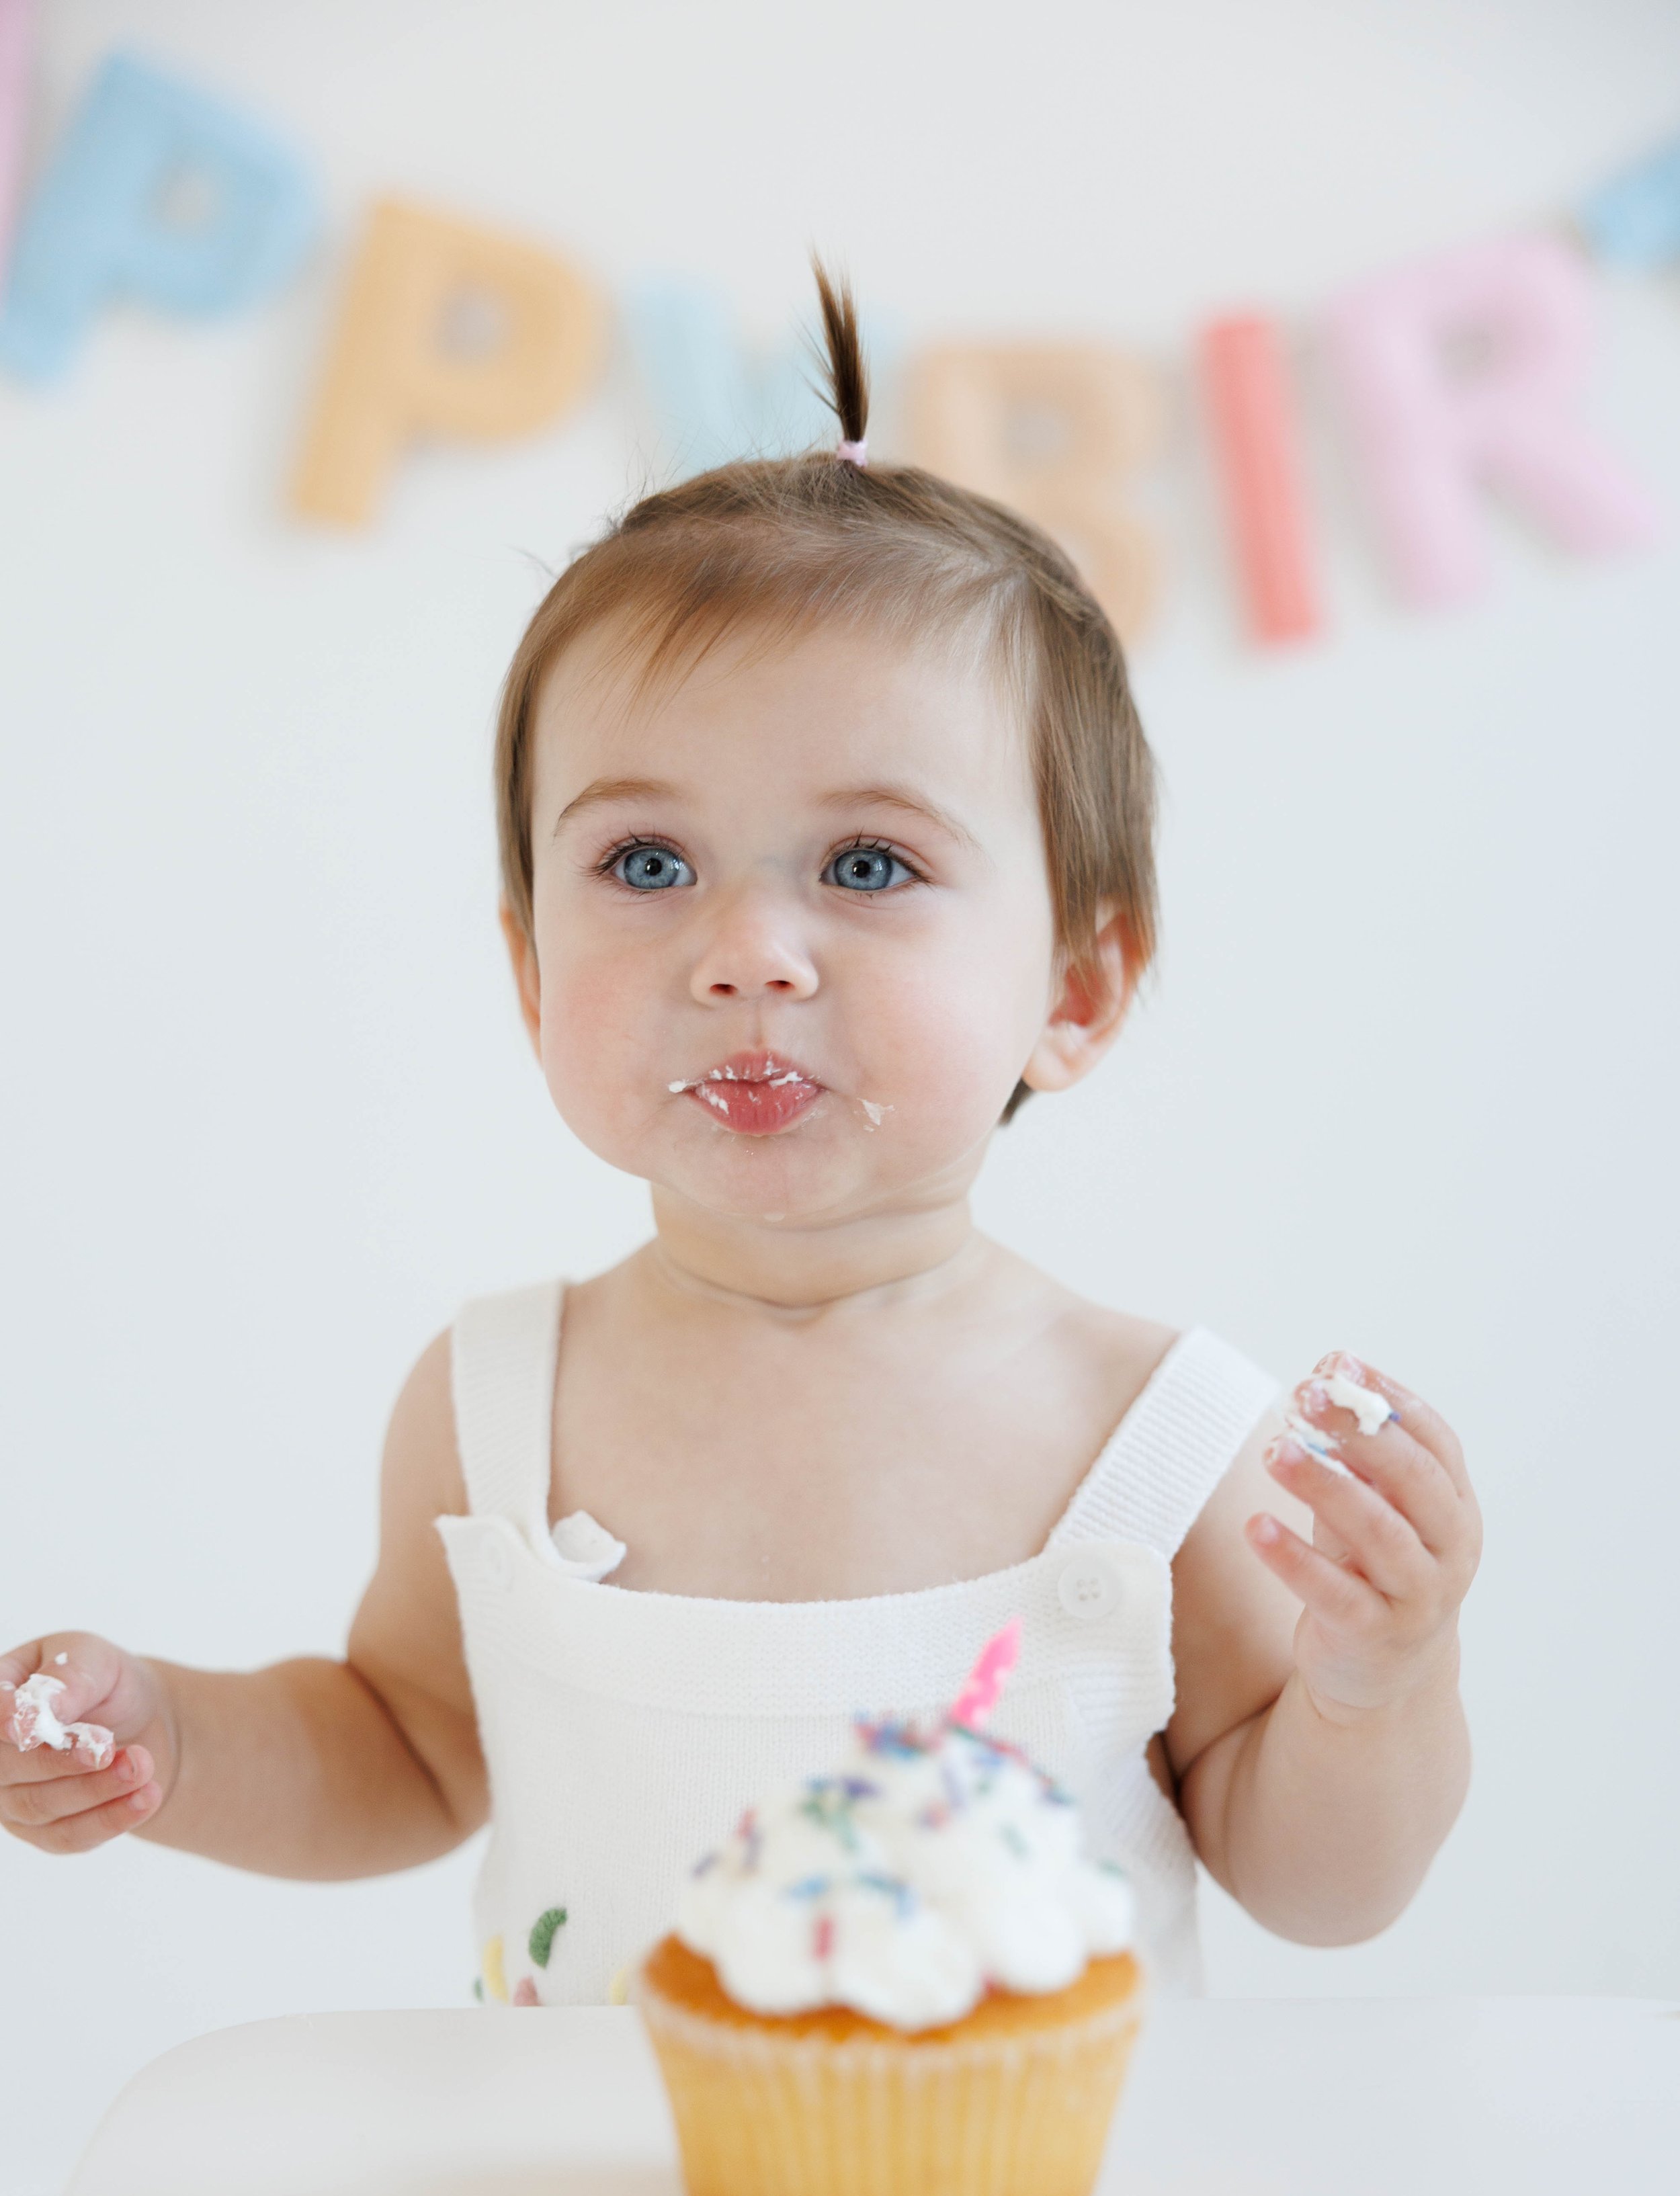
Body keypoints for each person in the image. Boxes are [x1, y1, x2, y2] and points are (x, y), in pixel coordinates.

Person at [1, 269, 1479, 2002]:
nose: (746, 953)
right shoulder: (495, 1406)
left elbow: (1315, 1891)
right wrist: (174, 1733)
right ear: (530, 964)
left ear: (1076, 987)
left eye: (867, 866)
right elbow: (403, 1748)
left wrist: (1379, 1685)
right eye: (645, 865)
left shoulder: (1162, 1446)